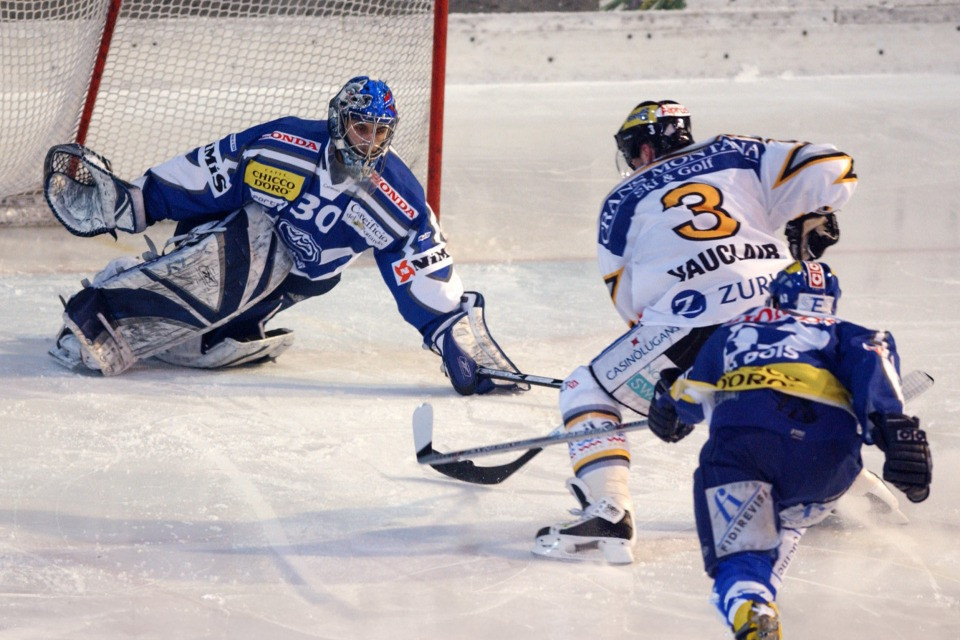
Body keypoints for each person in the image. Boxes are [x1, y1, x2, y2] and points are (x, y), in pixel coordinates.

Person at [43, 76, 526, 395]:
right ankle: (102, 312)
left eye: (380, 133)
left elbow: (421, 267)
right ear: (338, 120)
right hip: (233, 235)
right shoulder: (284, 146)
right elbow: (211, 172)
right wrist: (138, 201)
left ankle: (152, 295)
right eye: (361, 127)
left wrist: (456, 337)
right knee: (244, 254)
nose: (369, 142)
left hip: (296, 280)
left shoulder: (397, 199)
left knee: (213, 340)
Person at [532, 100, 855, 564]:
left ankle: (610, 511)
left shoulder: (620, 200)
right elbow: (834, 165)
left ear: (644, 149)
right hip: (782, 308)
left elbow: (630, 302)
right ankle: (847, 484)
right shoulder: (737, 151)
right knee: (774, 387)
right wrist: (816, 210)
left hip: (692, 319)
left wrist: (673, 385)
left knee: (588, 389)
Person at [646, 260, 932, 639]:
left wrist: (668, 408)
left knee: (743, 550)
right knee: (793, 516)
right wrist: (896, 429)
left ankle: (753, 601)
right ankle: (767, 595)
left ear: (777, 296)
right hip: (826, 463)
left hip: (745, 447)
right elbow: (875, 373)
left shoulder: (735, 328)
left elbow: (684, 401)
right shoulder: (850, 332)